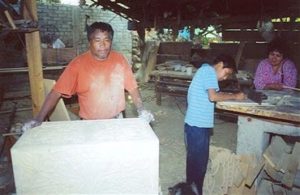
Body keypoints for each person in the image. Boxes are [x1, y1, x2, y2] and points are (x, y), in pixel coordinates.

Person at [22, 21, 154, 131]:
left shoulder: (119, 59)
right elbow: (56, 92)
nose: (103, 45)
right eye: (97, 40)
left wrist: (141, 109)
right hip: (90, 125)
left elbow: (132, 87)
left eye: (106, 40)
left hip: (117, 120)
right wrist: (38, 119)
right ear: (89, 42)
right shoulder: (77, 64)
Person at [184, 54, 246, 194]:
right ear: (220, 64)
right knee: (199, 166)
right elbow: (213, 97)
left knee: (194, 163)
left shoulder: (205, 71)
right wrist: (236, 96)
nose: (225, 78)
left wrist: (231, 95)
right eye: (227, 73)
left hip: (195, 125)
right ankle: (194, 191)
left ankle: (190, 191)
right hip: (197, 126)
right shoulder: (209, 72)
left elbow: (215, 94)